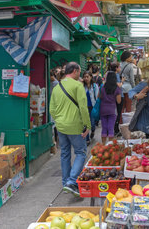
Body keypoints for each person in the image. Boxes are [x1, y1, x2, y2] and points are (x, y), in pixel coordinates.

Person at [49, 62, 90, 196]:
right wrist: (87, 125)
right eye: (79, 72)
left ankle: (65, 182)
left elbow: (52, 110)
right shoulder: (78, 85)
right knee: (81, 152)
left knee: (65, 153)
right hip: (75, 126)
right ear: (76, 71)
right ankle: (71, 182)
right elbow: (83, 108)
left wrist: (59, 121)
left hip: (61, 127)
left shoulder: (57, 87)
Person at [99, 72, 122, 144]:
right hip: (112, 110)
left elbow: (99, 97)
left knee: (104, 128)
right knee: (111, 128)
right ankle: (110, 145)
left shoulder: (102, 87)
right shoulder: (117, 88)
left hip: (103, 109)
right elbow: (119, 101)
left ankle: (103, 145)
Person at [82, 71, 99, 143]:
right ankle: (87, 140)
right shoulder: (82, 86)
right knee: (85, 124)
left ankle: (93, 131)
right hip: (84, 107)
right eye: (84, 77)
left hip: (93, 107)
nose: (86, 78)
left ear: (91, 77)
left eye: (87, 77)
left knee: (92, 123)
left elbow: (97, 97)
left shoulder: (94, 86)